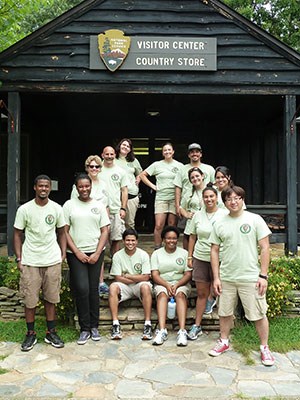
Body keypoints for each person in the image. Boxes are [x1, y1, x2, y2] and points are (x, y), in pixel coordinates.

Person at [208, 186, 275, 366]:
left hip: (251, 277)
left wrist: (263, 275)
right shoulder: (219, 222)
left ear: (242, 199)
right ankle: (224, 341)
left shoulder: (254, 219)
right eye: (229, 199)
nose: (233, 202)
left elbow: (265, 247)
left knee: (258, 313)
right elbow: (214, 250)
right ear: (225, 202)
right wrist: (216, 277)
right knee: (224, 312)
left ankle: (264, 347)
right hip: (227, 277)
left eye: (237, 198)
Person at [13, 174, 66, 352]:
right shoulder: (25, 209)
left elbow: (61, 233)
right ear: (35, 187)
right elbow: (17, 234)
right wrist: (19, 258)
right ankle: (30, 334)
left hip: (51, 259)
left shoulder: (57, 208)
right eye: (41, 186)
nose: (44, 189)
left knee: (51, 298)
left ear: (50, 188)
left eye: (46, 186)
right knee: (30, 300)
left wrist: (62, 254)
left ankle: (51, 332)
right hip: (30, 261)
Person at [63, 173, 110, 345]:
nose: (84, 189)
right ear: (76, 188)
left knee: (93, 289)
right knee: (81, 288)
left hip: (96, 252)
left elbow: (105, 230)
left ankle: (94, 326)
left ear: (91, 186)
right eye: (80, 186)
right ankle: (84, 328)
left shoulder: (98, 205)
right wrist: (77, 252)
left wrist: (97, 253)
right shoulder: (69, 205)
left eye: (87, 186)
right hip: (76, 254)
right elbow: (65, 231)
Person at [187, 185, 227, 340]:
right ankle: (197, 325)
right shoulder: (197, 215)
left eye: (212, 196)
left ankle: (224, 333)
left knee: (221, 292)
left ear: (217, 198)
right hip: (201, 257)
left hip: (221, 257)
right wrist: (190, 257)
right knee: (202, 293)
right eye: (206, 197)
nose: (209, 199)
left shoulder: (224, 214)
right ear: (202, 199)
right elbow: (192, 236)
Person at [70, 155, 110, 296]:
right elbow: (73, 206)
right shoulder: (78, 185)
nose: (94, 169)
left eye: (97, 166)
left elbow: (107, 205)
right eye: (91, 166)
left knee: (100, 249)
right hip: (84, 223)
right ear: (87, 168)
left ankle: (100, 281)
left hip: (100, 222)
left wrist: (106, 224)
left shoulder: (104, 184)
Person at [151, 226, 192, 346]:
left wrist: (177, 284)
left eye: (174, 238)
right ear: (163, 239)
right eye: (168, 238)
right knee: (162, 294)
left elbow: (188, 273)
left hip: (181, 282)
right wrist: (167, 285)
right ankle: (162, 330)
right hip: (162, 282)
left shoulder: (184, 253)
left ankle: (182, 331)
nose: (171, 241)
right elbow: (155, 274)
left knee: (180, 295)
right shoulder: (157, 254)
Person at [109, 228, 153, 340]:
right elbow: (117, 277)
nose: (130, 243)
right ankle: (115, 324)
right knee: (113, 287)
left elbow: (147, 276)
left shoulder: (143, 255)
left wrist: (128, 276)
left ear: (137, 241)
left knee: (146, 286)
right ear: (123, 241)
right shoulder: (117, 255)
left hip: (139, 285)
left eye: (133, 240)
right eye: (128, 240)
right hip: (125, 286)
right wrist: (137, 278)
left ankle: (147, 324)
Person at [139, 142, 182, 249]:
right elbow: (142, 175)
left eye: (169, 150)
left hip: (174, 198)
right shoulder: (156, 165)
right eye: (165, 150)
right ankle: (158, 247)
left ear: (173, 152)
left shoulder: (180, 166)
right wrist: (153, 186)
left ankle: (171, 247)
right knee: (159, 225)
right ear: (162, 153)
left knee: (172, 225)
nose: (167, 152)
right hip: (161, 198)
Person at [174, 143, 215, 219]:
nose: (194, 154)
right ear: (189, 155)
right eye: (192, 152)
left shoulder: (209, 169)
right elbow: (178, 188)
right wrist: (177, 207)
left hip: (206, 206)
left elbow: (215, 187)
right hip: (186, 208)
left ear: (201, 154)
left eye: (197, 152)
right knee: (185, 230)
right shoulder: (182, 169)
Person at [101, 146, 129, 256]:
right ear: (102, 155)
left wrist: (123, 208)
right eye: (107, 154)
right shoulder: (96, 169)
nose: (109, 156)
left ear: (115, 155)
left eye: (111, 154)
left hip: (116, 210)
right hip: (100, 211)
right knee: (101, 238)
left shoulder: (121, 171)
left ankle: (114, 261)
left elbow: (124, 191)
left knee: (116, 238)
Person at [115, 138, 142, 229]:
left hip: (131, 195)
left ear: (130, 149)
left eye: (128, 146)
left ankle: (130, 242)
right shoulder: (112, 159)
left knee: (129, 223)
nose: (125, 147)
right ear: (119, 146)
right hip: (116, 195)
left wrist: (138, 179)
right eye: (123, 145)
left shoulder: (134, 160)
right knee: (116, 223)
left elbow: (140, 173)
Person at [179, 167, 205, 250]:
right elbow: (180, 207)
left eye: (197, 176)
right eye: (192, 177)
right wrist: (186, 214)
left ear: (202, 176)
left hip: (206, 226)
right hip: (191, 227)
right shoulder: (188, 192)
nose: (195, 179)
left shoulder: (210, 190)